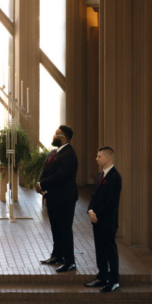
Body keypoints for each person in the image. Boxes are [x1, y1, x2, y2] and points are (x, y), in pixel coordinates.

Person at [36, 125, 79, 272]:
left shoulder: (69, 155)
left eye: (56, 134)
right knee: (55, 227)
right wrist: (40, 183)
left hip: (65, 199)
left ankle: (69, 261)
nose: (54, 136)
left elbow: (60, 176)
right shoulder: (55, 152)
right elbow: (45, 170)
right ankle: (57, 255)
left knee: (65, 229)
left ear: (63, 138)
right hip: (54, 197)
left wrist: (42, 183)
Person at [84, 146, 122, 293]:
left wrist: (96, 213)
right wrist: (89, 210)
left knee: (110, 251)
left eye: (99, 156)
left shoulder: (115, 177)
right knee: (100, 249)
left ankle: (114, 281)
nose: (96, 159)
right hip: (97, 220)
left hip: (107, 221)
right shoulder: (100, 175)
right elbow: (94, 196)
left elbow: (112, 202)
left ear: (107, 158)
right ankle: (102, 276)